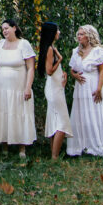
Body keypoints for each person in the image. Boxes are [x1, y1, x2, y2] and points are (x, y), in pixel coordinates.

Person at [0, 19, 36, 158]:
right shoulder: (0, 44)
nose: (4, 31)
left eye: (7, 28)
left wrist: (28, 88)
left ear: (14, 28)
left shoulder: (24, 44)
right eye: (3, 29)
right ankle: (4, 146)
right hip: (1, 88)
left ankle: (22, 148)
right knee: (3, 112)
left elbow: (31, 68)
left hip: (18, 88)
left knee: (19, 113)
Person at [67, 24, 103, 157]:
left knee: (95, 113)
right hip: (80, 87)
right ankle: (82, 145)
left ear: (89, 37)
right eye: (78, 34)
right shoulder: (76, 51)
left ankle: (97, 144)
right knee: (82, 115)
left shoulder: (97, 51)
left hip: (94, 84)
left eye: (82, 34)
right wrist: (75, 75)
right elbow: (72, 69)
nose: (79, 36)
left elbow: (102, 72)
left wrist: (99, 88)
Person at [37, 21, 72, 159]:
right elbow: (49, 71)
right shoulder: (50, 49)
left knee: (55, 120)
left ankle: (54, 154)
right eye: (57, 30)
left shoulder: (51, 47)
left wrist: (62, 73)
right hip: (53, 89)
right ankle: (55, 156)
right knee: (62, 121)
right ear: (52, 33)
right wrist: (60, 60)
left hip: (56, 86)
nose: (59, 33)